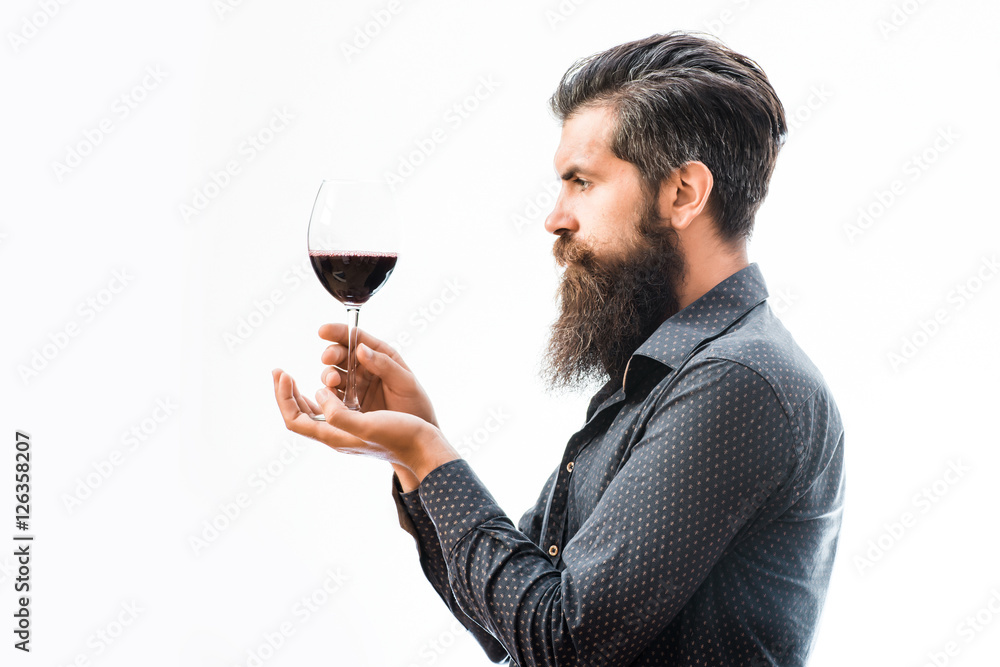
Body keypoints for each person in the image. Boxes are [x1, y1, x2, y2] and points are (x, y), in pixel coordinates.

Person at [272, 30, 845, 666]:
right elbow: (509, 622)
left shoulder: (738, 381)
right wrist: (414, 452)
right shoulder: (661, 374)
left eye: (581, 182)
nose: (555, 217)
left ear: (683, 193)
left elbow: (561, 642)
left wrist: (425, 453)